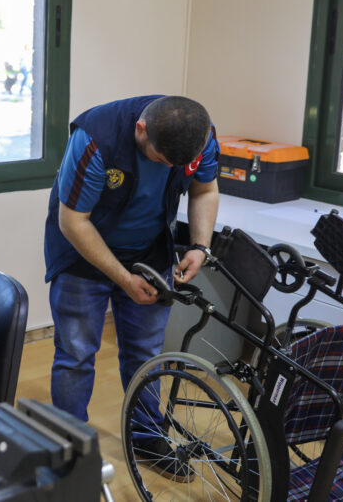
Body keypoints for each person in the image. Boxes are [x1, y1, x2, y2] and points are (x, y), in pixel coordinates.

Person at [43, 95, 219, 456]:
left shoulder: (202, 137)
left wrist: (200, 246)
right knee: (76, 355)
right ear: (141, 129)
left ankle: (147, 440)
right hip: (82, 251)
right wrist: (123, 278)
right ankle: (69, 446)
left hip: (150, 250)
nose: (167, 167)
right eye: (160, 160)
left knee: (146, 353)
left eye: (176, 165)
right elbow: (73, 221)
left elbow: (205, 190)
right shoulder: (95, 138)